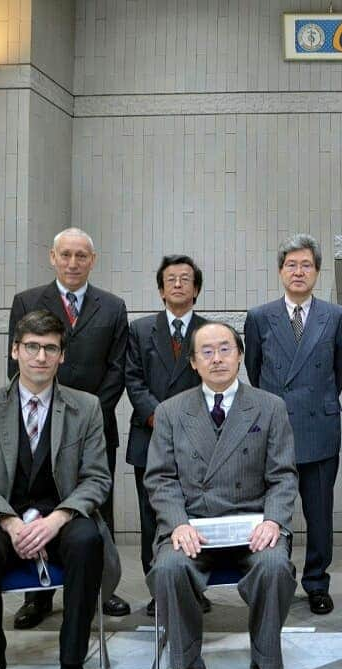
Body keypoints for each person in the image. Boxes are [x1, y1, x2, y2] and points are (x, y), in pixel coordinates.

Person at [0, 310, 121, 669]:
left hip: (63, 515)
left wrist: (57, 519)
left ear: (62, 355)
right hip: (0, 518)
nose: (40, 357)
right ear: (15, 351)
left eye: (50, 348)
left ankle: (71, 662)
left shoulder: (86, 407)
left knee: (88, 540)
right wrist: (12, 524)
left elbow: (96, 478)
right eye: (31, 347)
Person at [146, 322, 298, 669]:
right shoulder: (171, 411)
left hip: (252, 523)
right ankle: (186, 663)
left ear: (240, 356)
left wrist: (273, 520)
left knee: (274, 566)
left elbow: (283, 475)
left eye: (225, 349)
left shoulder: (269, 407)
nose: (217, 359)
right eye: (207, 352)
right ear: (194, 363)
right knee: (170, 567)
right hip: (192, 525)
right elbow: (160, 477)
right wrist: (177, 523)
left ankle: (266, 662)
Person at [8, 227, 130, 624]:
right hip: (36, 427)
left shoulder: (112, 306)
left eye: (81, 256)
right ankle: (37, 598)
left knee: (98, 508)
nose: (73, 263)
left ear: (92, 260)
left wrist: (88, 415)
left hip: (95, 428)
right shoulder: (27, 302)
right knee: (33, 503)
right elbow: (17, 366)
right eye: (66, 255)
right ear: (52, 257)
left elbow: (118, 369)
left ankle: (101, 590)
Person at [245, 234, 342, 615]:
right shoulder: (259, 317)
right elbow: (255, 372)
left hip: (320, 426)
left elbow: (337, 372)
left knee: (320, 512)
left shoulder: (337, 317)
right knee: (275, 509)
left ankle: (317, 582)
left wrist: (316, 403)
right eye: (292, 265)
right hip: (275, 429)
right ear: (280, 271)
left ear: (318, 272)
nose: (299, 272)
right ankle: (279, 576)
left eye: (307, 265)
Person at [125, 254, 209, 616]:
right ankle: (159, 588)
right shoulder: (140, 330)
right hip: (150, 437)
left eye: (185, 279)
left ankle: (196, 587)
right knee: (152, 520)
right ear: (161, 289)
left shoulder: (209, 332)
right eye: (171, 279)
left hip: (199, 442)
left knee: (196, 517)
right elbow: (133, 379)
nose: (178, 284)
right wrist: (159, 416)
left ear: (196, 289)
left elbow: (216, 382)